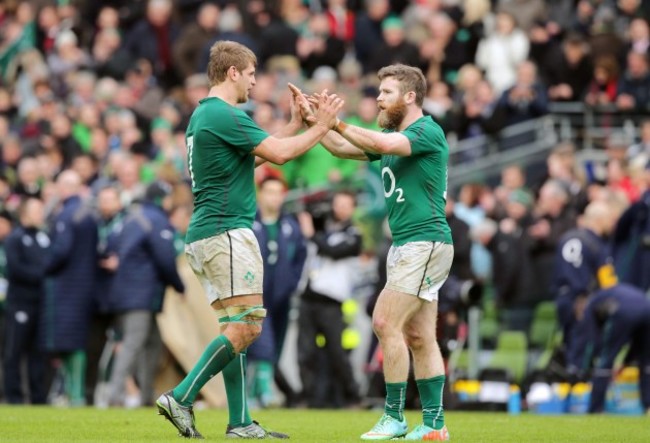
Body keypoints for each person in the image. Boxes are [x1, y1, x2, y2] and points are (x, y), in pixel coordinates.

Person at [155, 40, 343, 439]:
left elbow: (251, 157)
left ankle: (239, 421)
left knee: (234, 326)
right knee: (248, 327)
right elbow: (279, 156)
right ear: (233, 72)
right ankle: (182, 396)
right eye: (252, 75)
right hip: (226, 232)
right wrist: (323, 125)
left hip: (206, 232)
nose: (255, 84)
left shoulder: (204, 116)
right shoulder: (225, 114)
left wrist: (294, 125)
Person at [290, 63, 454, 441]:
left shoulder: (425, 130)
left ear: (410, 96)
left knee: (383, 322)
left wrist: (338, 121)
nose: (378, 99)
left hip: (423, 242)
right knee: (419, 337)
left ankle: (394, 417)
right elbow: (343, 148)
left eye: (386, 92)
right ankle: (434, 426)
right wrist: (315, 122)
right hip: (409, 244)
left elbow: (377, 144)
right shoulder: (392, 136)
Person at [106, 181, 185, 407]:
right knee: (133, 342)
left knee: (153, 343)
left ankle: (146, 396)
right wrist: (180, 287)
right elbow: (165, 259)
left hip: (128, 291)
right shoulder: (157, 220)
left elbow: (112, 243)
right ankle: (115, 394)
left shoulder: (131, 218)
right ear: (162, 198)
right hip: (140, 295)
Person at [248, 175, 307, 408]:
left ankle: (255, 392)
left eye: (278, 192)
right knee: (263, 343)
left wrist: (291, 283)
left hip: (282, 297)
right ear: (260, 194)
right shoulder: (249, 223)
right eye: (269, 191)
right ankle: (262, 391)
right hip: (255, 296)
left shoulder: (290, 225)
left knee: (276, 347)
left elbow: (301, 256)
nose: (274, 197)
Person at [567, 283, 650, 414]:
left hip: (625, 311)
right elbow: (637, 344)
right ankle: (648, 407)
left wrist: (586, 365)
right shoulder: (610, 295)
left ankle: (596, 409)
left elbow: (591, 338)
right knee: (646, 364)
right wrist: (626, 362)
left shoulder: (591, 303)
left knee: (605, 363)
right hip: (647, 309)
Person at [3, 198, 49, 404]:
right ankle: (14, 397)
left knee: (38, 353)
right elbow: (16, 269)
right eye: (37, 210)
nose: (41, 213)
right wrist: (44, 276)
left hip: (41, 303)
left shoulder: (43, 236)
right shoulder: (15, 238)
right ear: (25, 214)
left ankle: (38, 397)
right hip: (20, 303)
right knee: (14, 350)